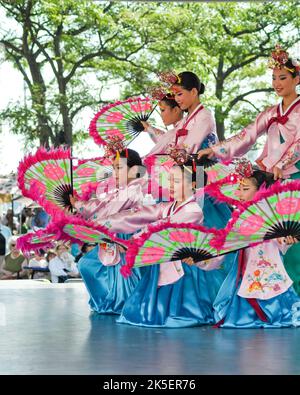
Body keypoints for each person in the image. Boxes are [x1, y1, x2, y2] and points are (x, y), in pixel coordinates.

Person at [197, 44, 300, 295]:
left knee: (293, 239)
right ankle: (275, 298)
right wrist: (216, 149)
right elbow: (247, 136)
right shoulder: (270, 112)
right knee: (269, 240)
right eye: (274, 78)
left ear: (297, 78)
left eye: (283, 78)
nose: (277, 83)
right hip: (270, 181)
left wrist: (282, 165)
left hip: (294, 178)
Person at [98, 160, 237, 328]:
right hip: (164, 262)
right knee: (138, 311)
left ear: (193, 184)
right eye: (170, 180)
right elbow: (141, 214)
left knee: (171, 312)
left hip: (184, 268)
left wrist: (130, 242)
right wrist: (105, 223)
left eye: (176, 181)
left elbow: (162, 227)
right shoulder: (171, 206)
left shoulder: (192, 210)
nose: (171, 185)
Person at [213, 166, 300, 328]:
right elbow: (226, 244)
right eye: (238, 189)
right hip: (246, 266)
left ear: (261, 190)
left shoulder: (274, 214)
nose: (239, 193)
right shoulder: (239, 214)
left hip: (268, 263)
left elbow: (281, 242)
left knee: (271, 287)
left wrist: (287, 240)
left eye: (245, 189)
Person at [70, 148, 146, 314]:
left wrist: (79, 206)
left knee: (121, 274)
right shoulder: (124, 188)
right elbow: (101, 205)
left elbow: (108, 210)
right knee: (87, 264)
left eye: (119, 167)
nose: (114, 172)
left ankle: (123, 303)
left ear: (134, 170)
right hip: (115, 236)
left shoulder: (134, 189)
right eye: (114, 168)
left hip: (127, 238)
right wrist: (79, 205)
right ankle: (112, 301)